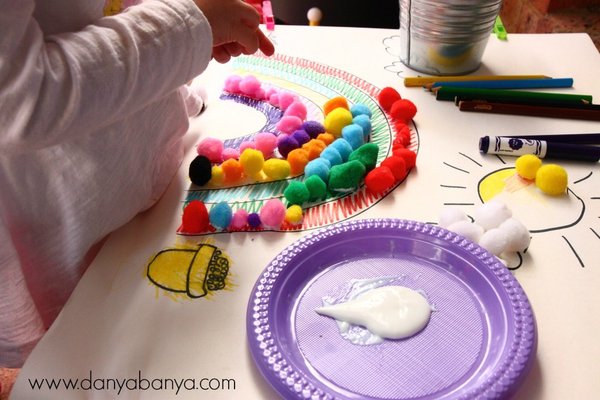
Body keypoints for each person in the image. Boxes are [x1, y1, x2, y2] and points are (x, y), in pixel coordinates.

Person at [0, 0, 274, 368]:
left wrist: (177, 45)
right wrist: (186, 27)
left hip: (145, 174)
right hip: (64, 215)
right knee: (89, 356)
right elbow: (17, 99)